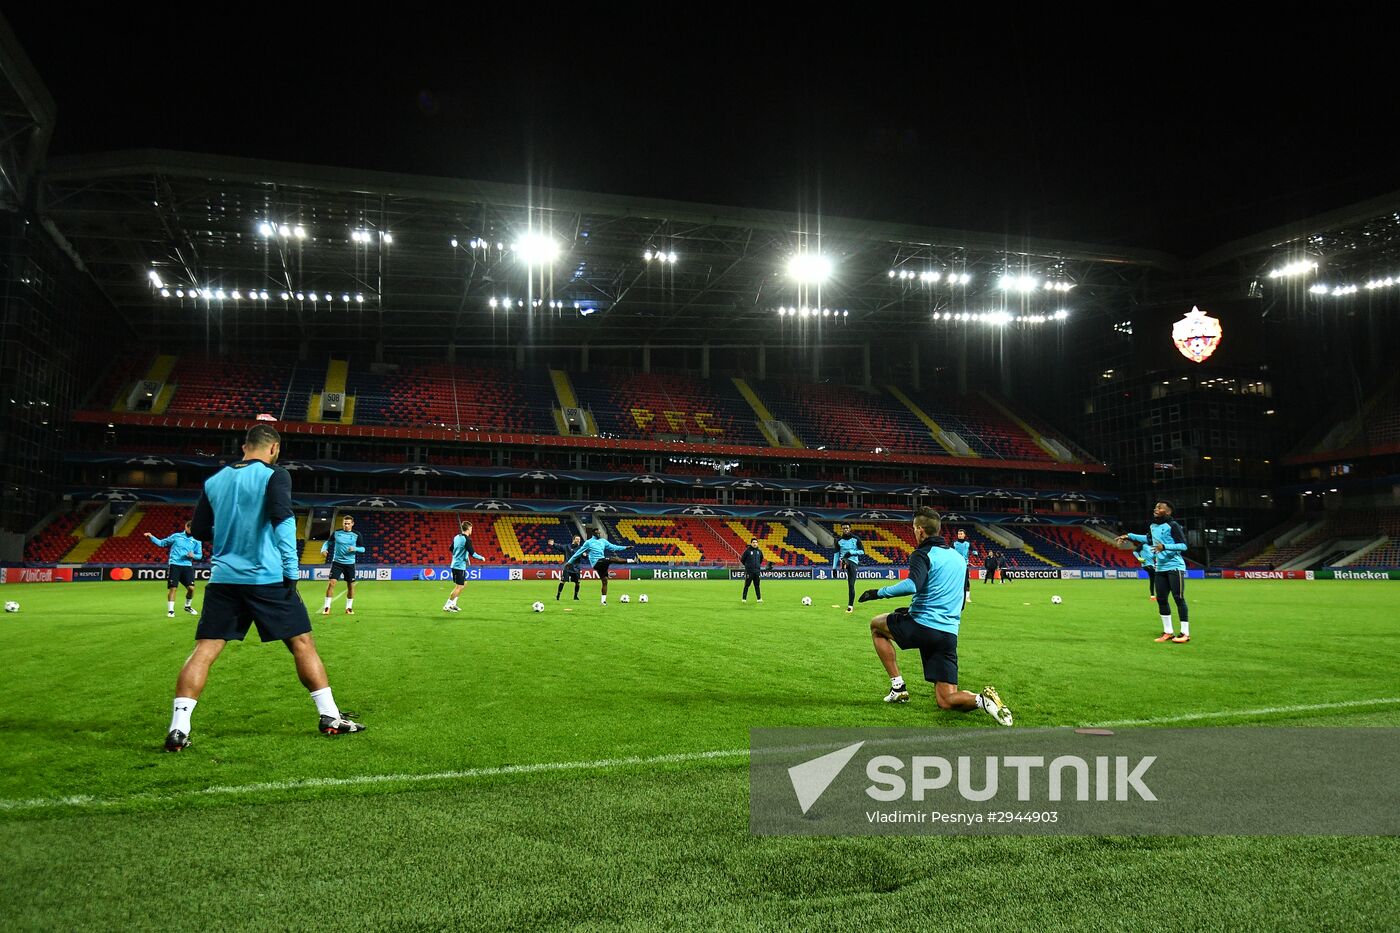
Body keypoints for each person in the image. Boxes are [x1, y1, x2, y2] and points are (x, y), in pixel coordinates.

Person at [163, 424, 362, 751]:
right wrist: (290, 570)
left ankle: (179, 727)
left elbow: (198, 530)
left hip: (224, 579)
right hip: (267, 578)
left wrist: (232, 531)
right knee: (302, 642)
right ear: (274, 450)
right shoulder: (275, 475)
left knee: (205, 649)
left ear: (245, 447)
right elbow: (283, 521)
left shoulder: (214, 480)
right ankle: (330, 717)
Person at [856, 507, 1012, 725]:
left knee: (876, 625)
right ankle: (982, 700)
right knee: (946, 700)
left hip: (922, 626)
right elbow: (959, 598)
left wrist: (876, 593)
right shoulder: (958, 558)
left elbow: (912, 585)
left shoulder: (922, 554)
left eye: (913, 529)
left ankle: (898, 687)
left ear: (920, 531)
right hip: (948, 633)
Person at [1118, 501, 1191, 643]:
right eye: (1156, 507)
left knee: (1178, 598)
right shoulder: (1153, 526)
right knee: (1162, 599)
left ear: (1168, 512)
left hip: (1175, 566)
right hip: (1160, 567)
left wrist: (1164, 546)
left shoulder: (1173, 525)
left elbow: (1183, 545)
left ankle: (1185, 633)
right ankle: (1168, 632)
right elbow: (1148, 539)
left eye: (1160, 507)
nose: (1156, 509)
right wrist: (1128, 535)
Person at [564, 527, 636, 605]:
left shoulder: (603, 541)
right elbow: (578, 553)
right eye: (597, 533)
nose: (599, 534)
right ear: (594, 533)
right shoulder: (588, 542)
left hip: (602, 563)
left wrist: (626, 547)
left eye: (599, 533)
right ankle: (632, 561)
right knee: (612, 559)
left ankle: (603, 602)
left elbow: (614, 547)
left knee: (605, 581)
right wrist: (569, 562)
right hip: (596, 563)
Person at [146, 520, 203, 618]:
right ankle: (171, 610)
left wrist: (193, 555)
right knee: (173, 588)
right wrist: (151, 537)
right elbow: (162, 543)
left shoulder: (197, 540)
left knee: (191, 588)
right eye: (191, 528)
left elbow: (200, 555)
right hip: (175, 564)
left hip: (187, 566)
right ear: (186, 527)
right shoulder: (176, 536)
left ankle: (187, 606)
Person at [320, 515, 365, 615]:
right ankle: (327, 607)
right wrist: (323, 549)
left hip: (350, 564)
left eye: (348, 523)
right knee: (331, 583)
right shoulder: (336, 533)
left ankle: (348, 608)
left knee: (350, 586)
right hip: (337, 563)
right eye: (345, 523)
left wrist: (355, 549)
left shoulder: (356, 534)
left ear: (352, 524)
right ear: (342, 523)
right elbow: (328, 542)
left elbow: (363, 549)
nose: (346, 525)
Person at [443, 520, 487, 612]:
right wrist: (482, 558)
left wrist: (458, 554)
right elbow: (473, 554)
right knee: (459, 586)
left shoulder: (456, 537)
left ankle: (453, 604)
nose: (472, 530)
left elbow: (450, 548)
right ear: (468, 529)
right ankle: (447, 606)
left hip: (456, 564)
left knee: (464, 584)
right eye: (471, 528)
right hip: (459, 566)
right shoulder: (467, 539)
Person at [833, 522, 866, 613]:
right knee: (844, 559)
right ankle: (843, 564)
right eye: (843, 528)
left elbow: (862, 552)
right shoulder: (839, 541)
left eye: (847, 528)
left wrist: (851, 552)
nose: (845, 529)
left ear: (850, 528)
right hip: (844, 560)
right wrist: (834, 568)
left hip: (854, 562)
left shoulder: (856, 539)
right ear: (842, 529)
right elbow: (836, 555)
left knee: (851, 585)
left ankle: (850, 605)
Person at [548, 534, 584, 601]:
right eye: (577, 539)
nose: (579, 540)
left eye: (579, 539)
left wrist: (585, 555)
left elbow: (585, 556)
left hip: (576, 568)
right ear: (573, 540)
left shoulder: (581, 548)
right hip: (567, 567)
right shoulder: (567, 547)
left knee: (577, 583)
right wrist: (553, 544)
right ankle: (558, 595)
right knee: (563, 581)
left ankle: (575, 596)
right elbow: (559, 547)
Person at [740, 537, 769, 602]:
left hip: (757, 572)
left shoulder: (759, 551)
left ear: (757, 543)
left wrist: (757, 566)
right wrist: (748, 566)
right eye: (753, 542)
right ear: (751, 543)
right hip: (749, 572)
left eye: (756, 542)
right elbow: (742, 560)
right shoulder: (747, 551)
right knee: (747, 585)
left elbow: (761, 560)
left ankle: (759, 599)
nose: (755, 544)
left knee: (757, 585)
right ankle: (744, 599)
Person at [951, 528, 973, 607]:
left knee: (966, 581)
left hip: (964, 565)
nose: (959, 535)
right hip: (956, 565)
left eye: (961, 534)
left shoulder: (968, 544)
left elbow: (973, 549)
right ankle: (955, 596)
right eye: (958, 534)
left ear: (964, 535)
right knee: (955, 580)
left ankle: (967, 597)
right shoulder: (954, 544)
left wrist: (975, 552)